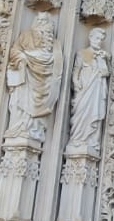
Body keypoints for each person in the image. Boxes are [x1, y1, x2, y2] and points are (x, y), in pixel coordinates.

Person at [4, 11, 63, 142]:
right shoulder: (25, 36)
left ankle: (33, 130)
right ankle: (18, 128)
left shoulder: (54, 44)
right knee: (19, 103)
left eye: (45, 21)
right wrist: (22, 57)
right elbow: (15, 51)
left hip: (43, 81)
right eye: (40, 21)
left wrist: (47, 59)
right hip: (26, 76)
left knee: (37, 114)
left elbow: (57, 67)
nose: (42, 24)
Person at [67, 27, 109, 154]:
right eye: (97, 38)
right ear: (90, 37)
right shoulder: (83, 53)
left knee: (94, 113)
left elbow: (106, 72)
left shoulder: (102, 56)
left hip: (96, 90)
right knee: (81, 113)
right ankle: (78, 139)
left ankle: (91, 141)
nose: (99, 41)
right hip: (84, 89)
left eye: (101, 40)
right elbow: (76, 70)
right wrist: (76, 82)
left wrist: (104, 60)